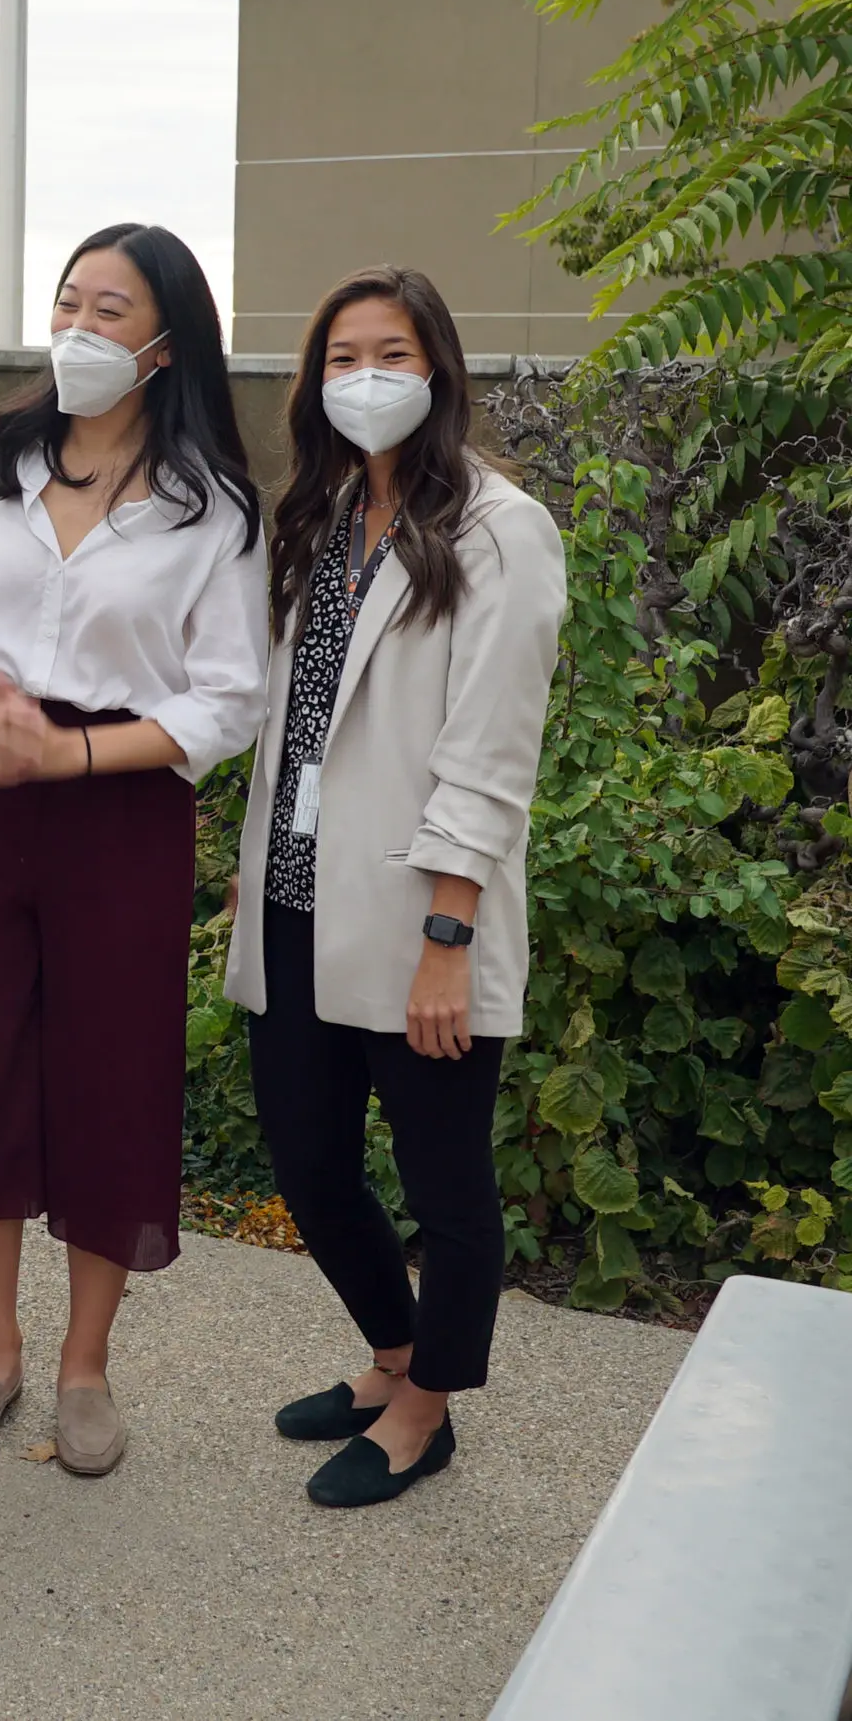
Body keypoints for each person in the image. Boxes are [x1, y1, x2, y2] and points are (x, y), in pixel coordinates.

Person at [0, 223, 267, 1478]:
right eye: (68, 303)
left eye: (111, 312)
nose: (80, 330)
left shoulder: (209, 508)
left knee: (110, 1072)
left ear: (163, 346)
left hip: (120, 805)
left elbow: (226, 698)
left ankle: (83, 1365)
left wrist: (72, 754)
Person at [224, 266, 565, 1507]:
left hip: (418, 910)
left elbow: (488, 752)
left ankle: (426, 1407)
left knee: (444, 1185)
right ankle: (389, 1350)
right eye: (340, 356)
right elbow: (292, 724)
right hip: (296, 896)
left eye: (391, 352)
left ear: (438, 370)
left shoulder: (498, 527)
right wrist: (248, 869)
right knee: (309, 1161)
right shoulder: (313, 515)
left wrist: (446, 934)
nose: (364, 376)